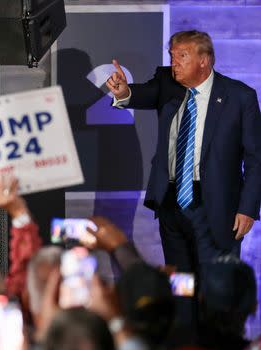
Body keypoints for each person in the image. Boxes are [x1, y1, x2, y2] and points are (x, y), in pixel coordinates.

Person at [107, 30, 261, 273]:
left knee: (215, 286)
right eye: (172, 55)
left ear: (204, 60)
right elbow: (139, 94)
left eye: (182, 55)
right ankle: (183, 312)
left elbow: (255, 159)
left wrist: (248, 208)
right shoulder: (166, 83)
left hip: (217, 207)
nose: (174, 62)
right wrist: (123, 92)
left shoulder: (240, 97)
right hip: (171, 204)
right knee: (181, 282)